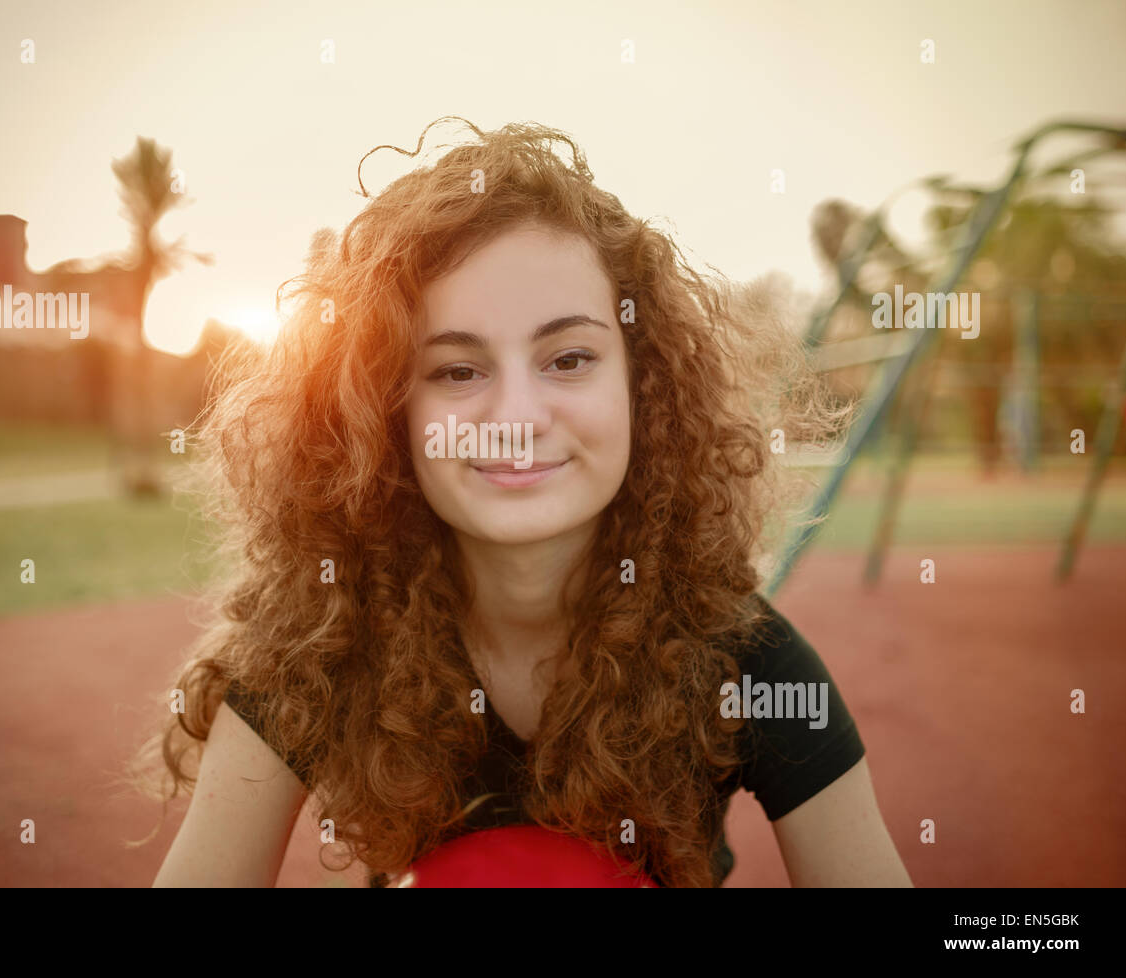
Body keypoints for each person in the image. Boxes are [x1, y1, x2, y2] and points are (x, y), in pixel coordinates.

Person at [137, 117, 912, 888]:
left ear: (643, 385)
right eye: (456, 371)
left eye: (568, 358)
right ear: (386, 413)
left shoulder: (749, 662)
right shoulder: (315, 642)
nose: (515, 419)